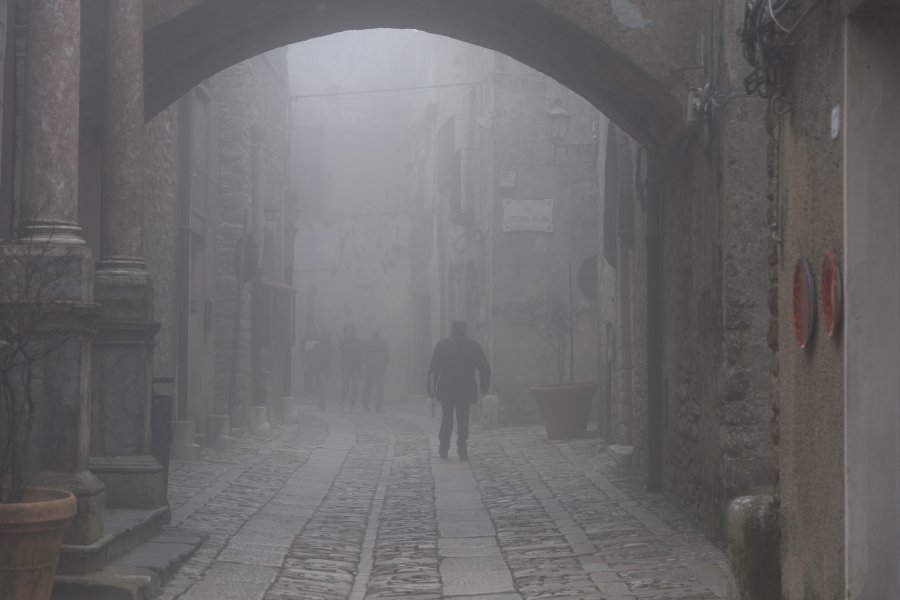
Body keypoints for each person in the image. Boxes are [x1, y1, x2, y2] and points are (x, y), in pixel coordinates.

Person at [428, 321, 491, 460]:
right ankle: (462, 449)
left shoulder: (442, 345)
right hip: (465, 388)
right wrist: (484, 387)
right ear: (465, 330)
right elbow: (484, 368)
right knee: (463, 419)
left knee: (447, 418)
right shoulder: (473, 346)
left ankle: (443, 448)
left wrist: (431, 389)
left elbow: (433, 369)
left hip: (447, 388)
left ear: (452, 329)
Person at [362, 326, 389, 413]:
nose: (375, 331)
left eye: (377, 329)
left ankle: (378, 407)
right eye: (374, 329)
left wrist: (385, 364)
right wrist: (366, 361)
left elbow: (387, 354)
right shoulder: (366, 342)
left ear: (379, 331)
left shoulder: (383, 342)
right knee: (368, 387)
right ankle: (365, 405)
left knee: (380, 388)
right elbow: (362, 353)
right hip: (370, 368)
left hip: (380, 368)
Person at [338, 324, 363, 410]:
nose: (350, 331)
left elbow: (360, 353)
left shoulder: (357, 340)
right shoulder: (342, 340)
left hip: (355, 366)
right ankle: (342, 402)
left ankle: (352, 405)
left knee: (355, 386)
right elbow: (340, 347)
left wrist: (360, 367)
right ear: (345, 331)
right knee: (346, 386)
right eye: (348, 330)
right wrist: (346, 337)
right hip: (345, 367)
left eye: (352, 330)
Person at [314, 329, 335, 409]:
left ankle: (321, 401)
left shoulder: (332, 346)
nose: (328, 337)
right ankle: (321, 403)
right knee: (323, 384)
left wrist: (335, 362)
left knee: (324, 385)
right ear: (323, 336)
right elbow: (314, 357)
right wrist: (316, 367)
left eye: (329, 335)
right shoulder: (318, 345)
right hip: (320, 368)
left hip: (328, 368)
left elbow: (335, 355)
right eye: (326, 335)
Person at [300, 328, 319, 402]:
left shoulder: (317, 338)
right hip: (307, 362)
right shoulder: (304, 339)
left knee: (317, 379)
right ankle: (307, 394)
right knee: (307, 379)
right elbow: (302, 351)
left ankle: (314, 395)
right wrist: (304, 362)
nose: (311, 330)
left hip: (316, 363)